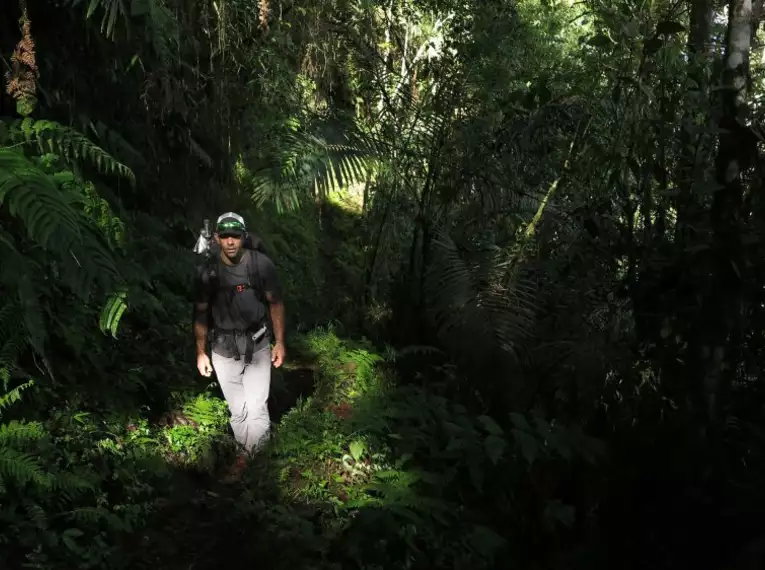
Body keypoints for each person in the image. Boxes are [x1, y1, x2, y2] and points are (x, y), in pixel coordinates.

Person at [193, 212, 286, 482]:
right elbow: (200, 312)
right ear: (217, 238)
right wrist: (200, 352)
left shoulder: (261, 265)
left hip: (257, 345)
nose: (230, 241)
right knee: (238, 410)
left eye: (235, 235)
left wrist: (280, 342)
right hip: (222, 349)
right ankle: (248, 458)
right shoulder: (207, 271)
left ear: (244, 236)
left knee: (257, 407)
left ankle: (251, 464)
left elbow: (276, 303)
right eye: (225, 236)